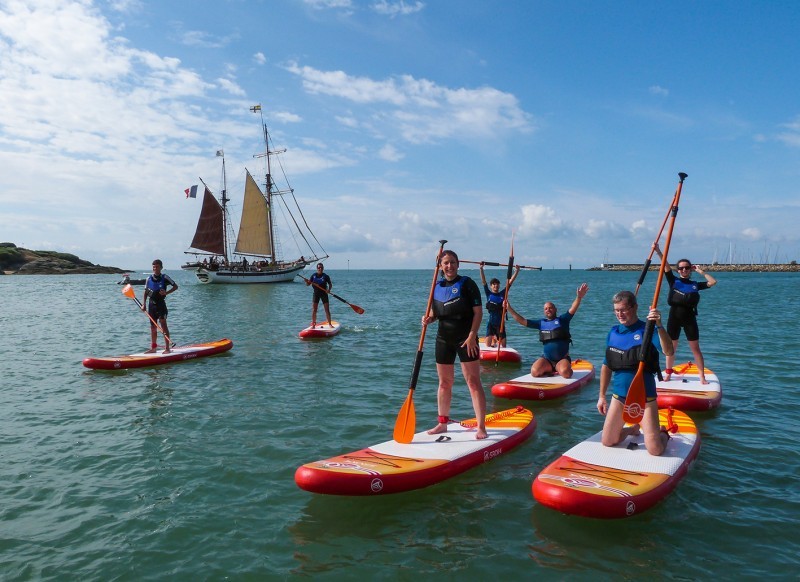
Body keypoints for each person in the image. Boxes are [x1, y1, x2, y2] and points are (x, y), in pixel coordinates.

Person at [597, 290, 675, 456]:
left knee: (655, 450)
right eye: (616, 310)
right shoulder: (613, 332)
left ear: (635, 308)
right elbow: (606, 366)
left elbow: (668, 351)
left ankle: (663, 433)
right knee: (608, 441)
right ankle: (632, 428)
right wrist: (602, 396)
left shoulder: (647, 330)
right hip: (619, 397)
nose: (620, 314)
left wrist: (659, 325)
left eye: (623, 309)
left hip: (645, 398)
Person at [422, 250, 488, 440]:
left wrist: (472, 335)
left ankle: (481, 426)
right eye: (445, 263)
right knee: (444, 383)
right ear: (440, 267)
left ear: (458, 264)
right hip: (443, 339)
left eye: (452, 262)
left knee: (473, 382)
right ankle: (443, 423)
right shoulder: (436, 286)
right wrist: (428, 319)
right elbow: (436, 313)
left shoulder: (467, 283)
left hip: (466, 339)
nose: (449, 266)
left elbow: (478, 313)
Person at [653, 244, 717, 384]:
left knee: (695, 348)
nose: (684, 270)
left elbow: (713, 282)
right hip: (674, 318)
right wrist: (658, 251)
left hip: (689, 319)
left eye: (687, 268)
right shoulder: (673, 281)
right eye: (681, 268)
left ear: (690, 269)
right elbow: (665, 265)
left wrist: (701, 271)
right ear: (678, 270)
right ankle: (668, 374)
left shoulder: (695, 284)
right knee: (671, 349)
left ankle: (702, 376)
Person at [505, 283, 589, 378]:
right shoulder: (541, 323)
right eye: (546, 309)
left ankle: (561, 368)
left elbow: (573, 309)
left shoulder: (563, 320)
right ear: (544, 311)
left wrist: (579, 297)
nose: (548, 310)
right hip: (547, 360)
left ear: (555, 309)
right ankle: (550, 369)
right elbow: (522, 321)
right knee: (534, 372)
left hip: (562, 359)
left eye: (550, 308)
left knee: (566, 373)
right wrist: (509, 308)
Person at [479, 263, 520, 347]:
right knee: (488, 345)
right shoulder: (488, 294)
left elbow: (510, 282)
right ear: (491, 286)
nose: (496, 286)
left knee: (504, 346)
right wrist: (481, 269)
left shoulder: (502, 294)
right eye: (494, 284)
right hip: (490, 324)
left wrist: (517, 271)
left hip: (500, 324)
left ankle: (496, 338)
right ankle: (493, 338)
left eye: (497, 284)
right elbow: (483, 281)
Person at [142, 259, 178, 354]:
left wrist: (166, 292)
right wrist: (143, 304)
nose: (155, 268)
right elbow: (145, 292)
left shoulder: (164, 277)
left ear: (161, 267)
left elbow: (175, 286)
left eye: (157, 267)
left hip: (161, 304)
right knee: (153, 328)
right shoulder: (148, 279)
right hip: (151, 305)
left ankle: (167, 348)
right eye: (153, 267)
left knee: (163, 326)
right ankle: (153, 348)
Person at [306, 262, 332, 327]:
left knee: (327, 310)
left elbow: (330, 284)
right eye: (319, 267)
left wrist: (329, 290)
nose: (320, 269)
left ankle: (330, 324)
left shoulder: (326, 276)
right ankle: (313, 324)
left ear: (323, 268)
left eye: (321, 267)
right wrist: (307, 282)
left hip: (324, 293)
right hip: (316, 294)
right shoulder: (313, 275)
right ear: (317, 268)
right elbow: (308, 284)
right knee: (314, 310)